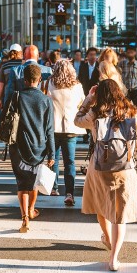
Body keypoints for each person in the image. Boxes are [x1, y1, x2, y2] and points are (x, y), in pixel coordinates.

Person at [75, 79, 137, 271]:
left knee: (101, 205)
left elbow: (77, 120)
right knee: (119, 215)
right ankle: (114, 258)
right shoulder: (132, 112)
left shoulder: (96, 113)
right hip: (124, 168)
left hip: (99, 167)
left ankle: (106, 237)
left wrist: (88, 99)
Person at [4, 65, 55, 233]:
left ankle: (24, 217)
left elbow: (5, 118)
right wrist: (52, 153)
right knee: (33, 182)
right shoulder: (46, 100)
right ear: (40, 80)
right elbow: (49, 130)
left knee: (21, 183)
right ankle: (32, 210)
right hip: (39, 147)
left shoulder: (16, 96)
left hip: (18, 146)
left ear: (24, 80)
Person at [47, 60, 87, 204]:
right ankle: (69, 193)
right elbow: (83, 104)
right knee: (69, 162)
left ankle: (53, 187)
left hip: (52, 128)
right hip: (71, 128)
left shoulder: (48, 84)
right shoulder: (77, 86)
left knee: (54, 159)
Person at [2, 45, 53, 110]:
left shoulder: (15, 70)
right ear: (37, 56)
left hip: (21, 110)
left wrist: (6, 110)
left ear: (24, 55)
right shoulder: (48, 71)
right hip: (42, 110)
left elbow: (9, 94)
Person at [0, 44, 24, 109]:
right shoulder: (24, 64)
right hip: (23, 97)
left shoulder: (5, 66)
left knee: (8, 117)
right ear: (21, 53)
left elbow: (1, 84)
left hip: (8, 97)